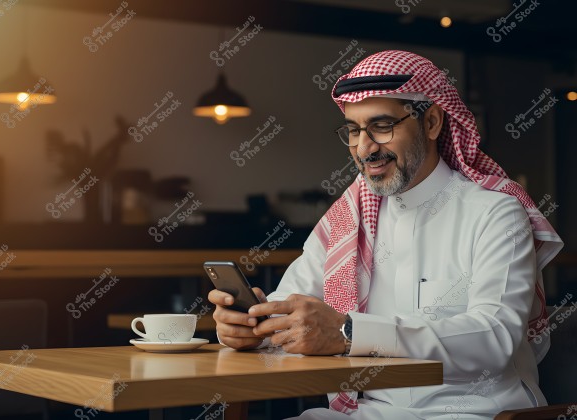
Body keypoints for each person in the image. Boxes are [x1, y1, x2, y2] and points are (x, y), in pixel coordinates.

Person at [208, 50, 564, 419]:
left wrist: (349, 332)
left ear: (432, 123)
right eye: (354, 130)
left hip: (475, 412)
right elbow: (290, 305)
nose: (364, 148)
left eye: (382, 126)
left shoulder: (494, 212)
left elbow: (494, 338)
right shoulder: (348, 219)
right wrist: (250, 329)